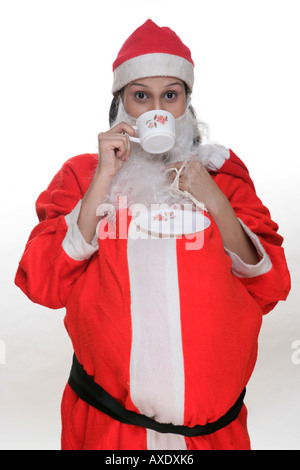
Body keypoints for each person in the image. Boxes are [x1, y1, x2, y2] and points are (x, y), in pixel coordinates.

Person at [15, 19, 291, 450]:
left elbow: (271, 287)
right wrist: (102, 181)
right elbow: (42, 284)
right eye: (140, 95)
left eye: (170, 95)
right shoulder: (82, 176)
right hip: (110, 430)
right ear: (121, 105)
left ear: (186, 106)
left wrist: (214, 201)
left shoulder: (224, 177)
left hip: (213, 437)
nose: (156, 108)